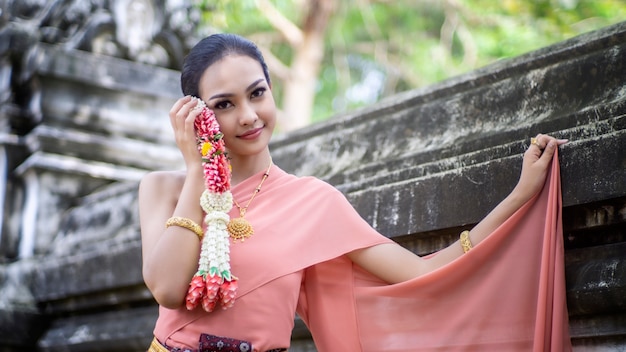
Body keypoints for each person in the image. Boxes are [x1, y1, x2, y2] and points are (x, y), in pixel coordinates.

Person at [139, 33, 570, 352]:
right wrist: (199, 168)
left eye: (257, 93)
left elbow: (421, 275)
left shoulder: (313, 202)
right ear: (198, 115)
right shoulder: (164, 188)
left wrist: (520, 196)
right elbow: (168, 290)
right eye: (224, 104)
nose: (249, 116)